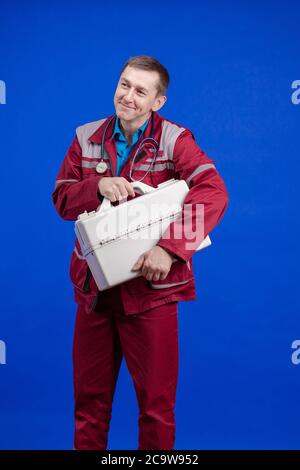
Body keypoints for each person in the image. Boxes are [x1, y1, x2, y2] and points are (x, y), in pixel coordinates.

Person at [52, 55, 229, 450]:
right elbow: (62, 198)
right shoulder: (86, 137)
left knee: (156, 408)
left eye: (140, 91)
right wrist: (96, 187)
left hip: (151, 294)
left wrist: (170, 249)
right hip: (95, 294)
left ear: (158, 101)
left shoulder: (174, 139)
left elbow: (213, 192)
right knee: (90, 406)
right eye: (124, 85)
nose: (128, 96)